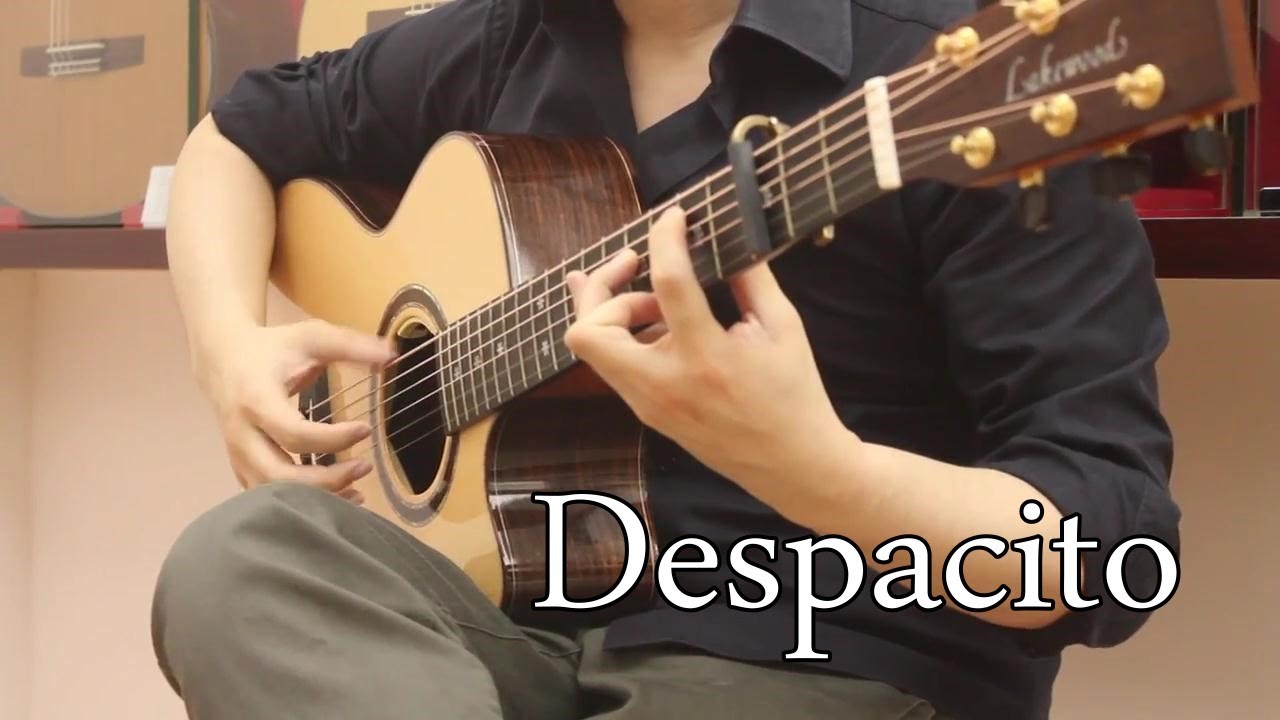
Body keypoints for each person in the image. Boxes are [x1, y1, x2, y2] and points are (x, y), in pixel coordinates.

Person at [151, 1, 1181, 718]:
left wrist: (820, 472)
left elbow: (1103, 554)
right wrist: (226, 349)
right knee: (243, 555)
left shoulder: (967, 77)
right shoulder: (506, 38)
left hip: (816, 648)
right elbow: (236, 136)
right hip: (515, 624)